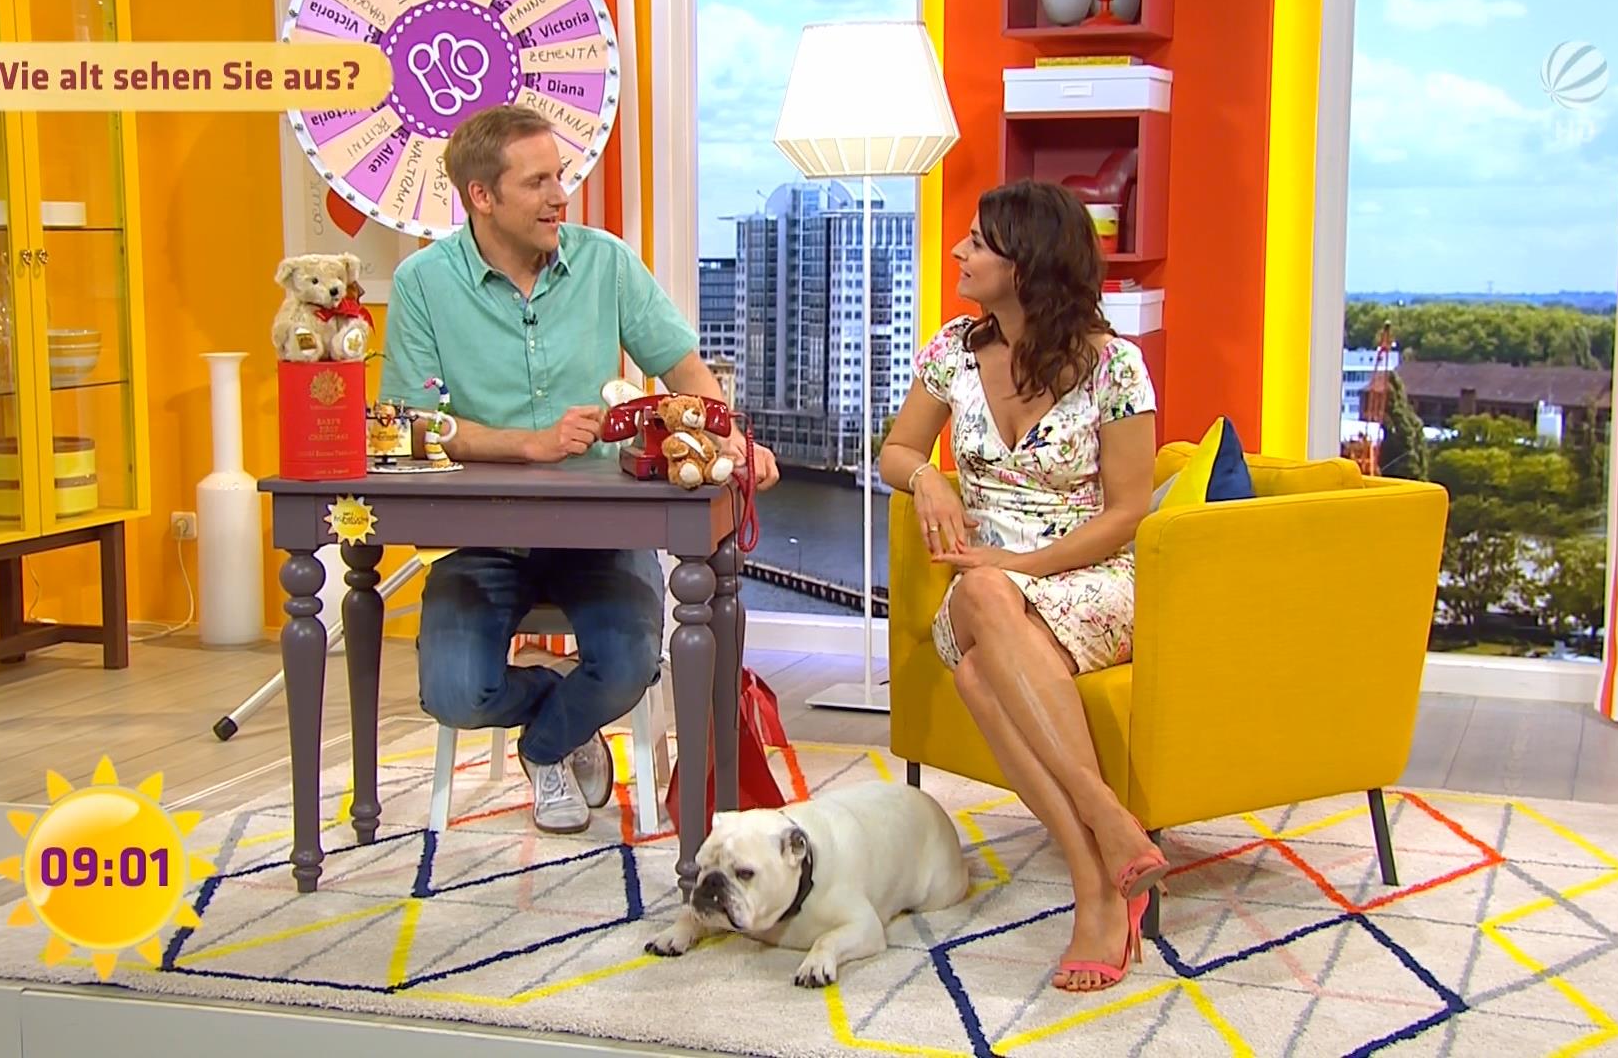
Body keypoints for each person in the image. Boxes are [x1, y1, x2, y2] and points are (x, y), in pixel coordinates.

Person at [378, 104, 779, 836]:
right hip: (486, 539)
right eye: (537, 183)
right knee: (455, 694)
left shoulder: (606, 263)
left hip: (603, 538)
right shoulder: (422, 284)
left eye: (559, 176)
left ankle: (545, 745)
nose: (560, 196)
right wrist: (526, 445)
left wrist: (733, 439)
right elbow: (411, 425)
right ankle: (564, 717)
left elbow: (684, 370)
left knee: (628, 666)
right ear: (481, 196)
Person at [877, 180, 1166, 993]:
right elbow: (896, 451)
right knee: (980, 602)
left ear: (1026, 262)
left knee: (979, 664)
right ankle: (1107, 831)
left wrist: (1021, 568)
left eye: (977, 242)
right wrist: (928, 481)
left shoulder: (1115, 367)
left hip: (1090, 579)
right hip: (983, 589)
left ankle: (1095, 884)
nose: (959, 252)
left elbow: (1129, 512)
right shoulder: (952, 351)